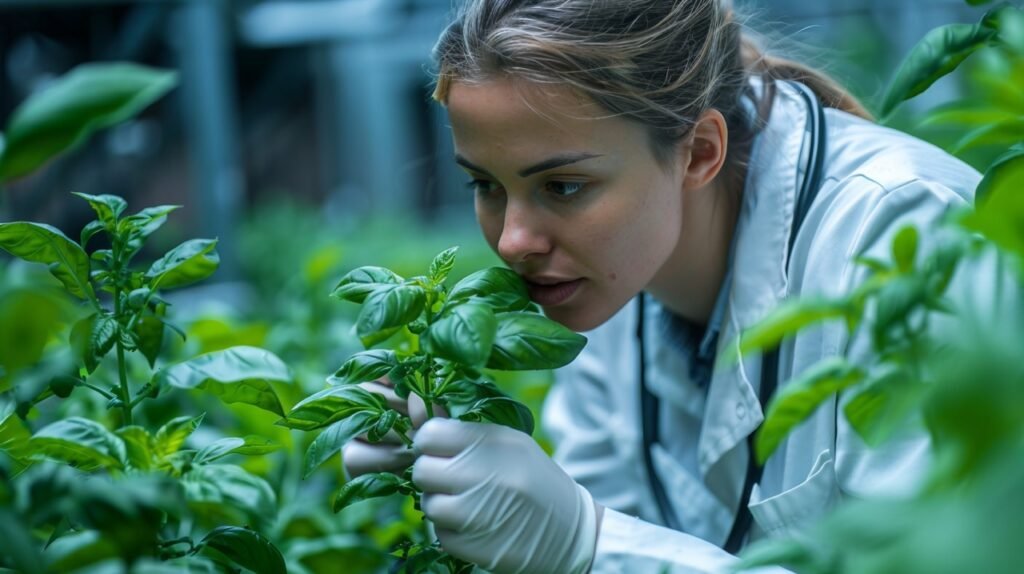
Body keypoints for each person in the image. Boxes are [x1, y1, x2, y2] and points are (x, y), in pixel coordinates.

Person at [343, 1, 983, 572]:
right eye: (485, 185)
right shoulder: (605, 279)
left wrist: (588, 545)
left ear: (700, 152)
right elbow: (603, 493)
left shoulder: (908, 234)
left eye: (562, 186)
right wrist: (459, 480)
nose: (512, 242)